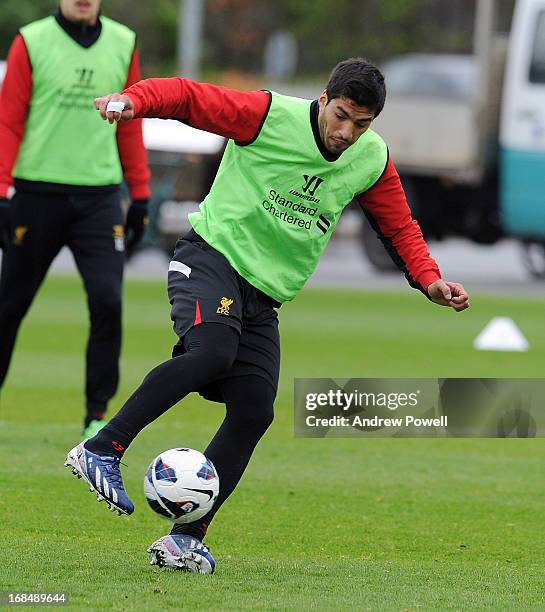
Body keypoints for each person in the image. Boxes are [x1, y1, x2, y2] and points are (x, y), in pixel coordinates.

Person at [65, 58, 469, 574]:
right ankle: (102, 448)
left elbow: (400, 225)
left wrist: (430, 279)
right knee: (212, 353)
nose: (346, 132)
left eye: (361, 124)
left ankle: (184, 541)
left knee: (256, 409)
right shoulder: (266, 115)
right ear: (324, 99)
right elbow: (188, 97)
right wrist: (133, 101)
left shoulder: (370, 158)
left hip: (263, 297)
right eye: (341, 115)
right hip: (212, 259)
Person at [0, 0, 151, 438]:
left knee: (108, 301)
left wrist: (139, 195)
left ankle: (96, 417)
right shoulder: (31, 40)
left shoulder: (124, 42)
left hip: (99, 200)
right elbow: (9, 122)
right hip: (35, 195)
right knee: (9, 307)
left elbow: (130, 124)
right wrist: (2, 191)